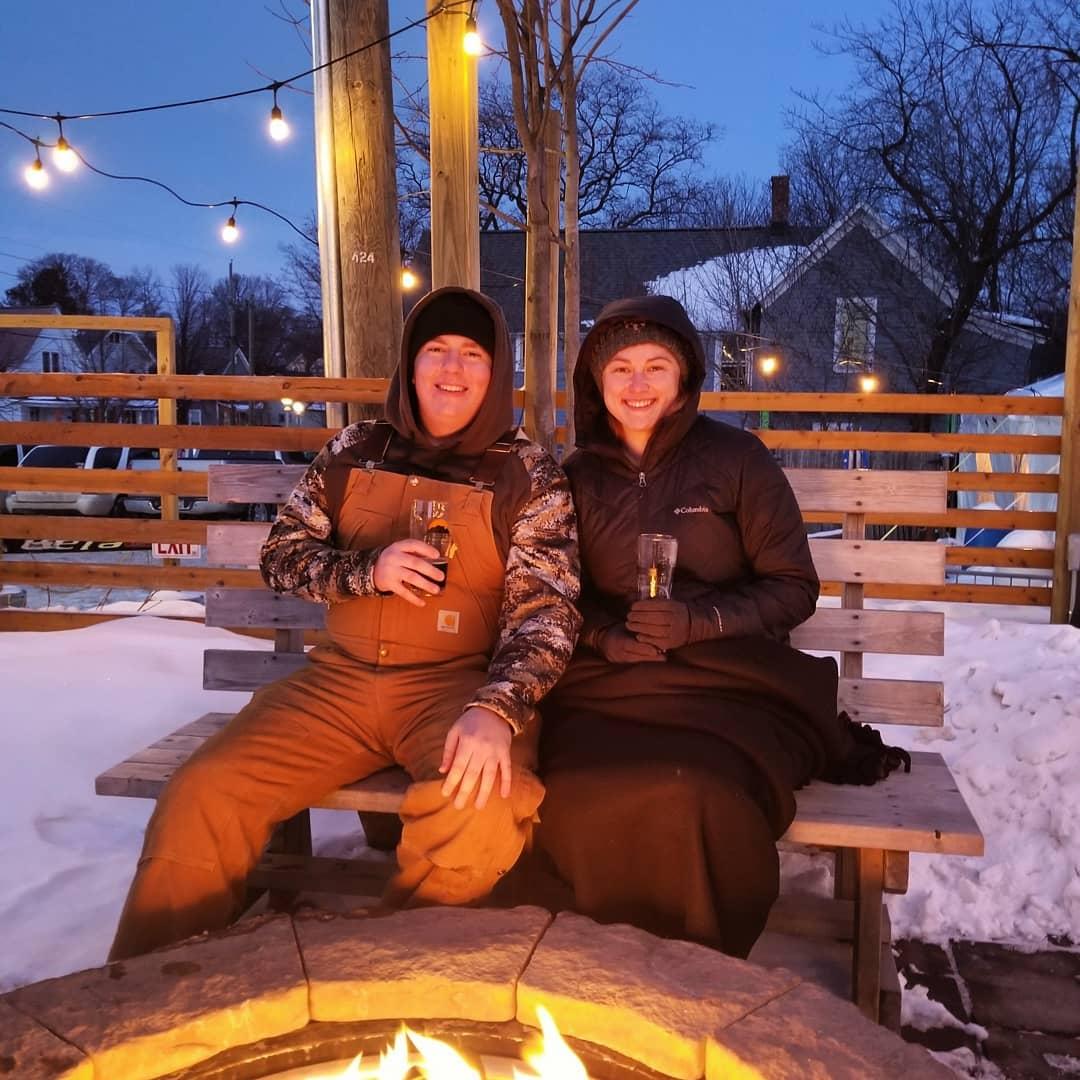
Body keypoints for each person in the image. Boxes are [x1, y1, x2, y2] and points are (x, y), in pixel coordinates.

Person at [109, 286, 581, 961]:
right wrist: (366, 570)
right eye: (436, 352)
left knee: (478, 808)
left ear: (496, 372)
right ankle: (145, 993)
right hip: (338, 687)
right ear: (410, 367)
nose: (452, 369)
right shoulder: (356, 449)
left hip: (455, 692)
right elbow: (280, 558)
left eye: (472, 355)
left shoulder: (529, 475)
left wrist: (498, 711)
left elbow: (549, 616)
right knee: (204, 793)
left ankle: (394, 978)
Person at [515, 295, 906, 959]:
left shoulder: (737, 460)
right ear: (596, 382)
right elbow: (556, 595)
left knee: (697, 791)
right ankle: (597, 961)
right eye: (620, 370)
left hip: (733, 685)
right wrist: (608, 637)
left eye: (655, 367)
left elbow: (794, 587)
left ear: (685, 377)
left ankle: (697, 965)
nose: (637, 385)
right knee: (576, 789)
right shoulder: (574, 477)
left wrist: (699, 621)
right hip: (615, 686)